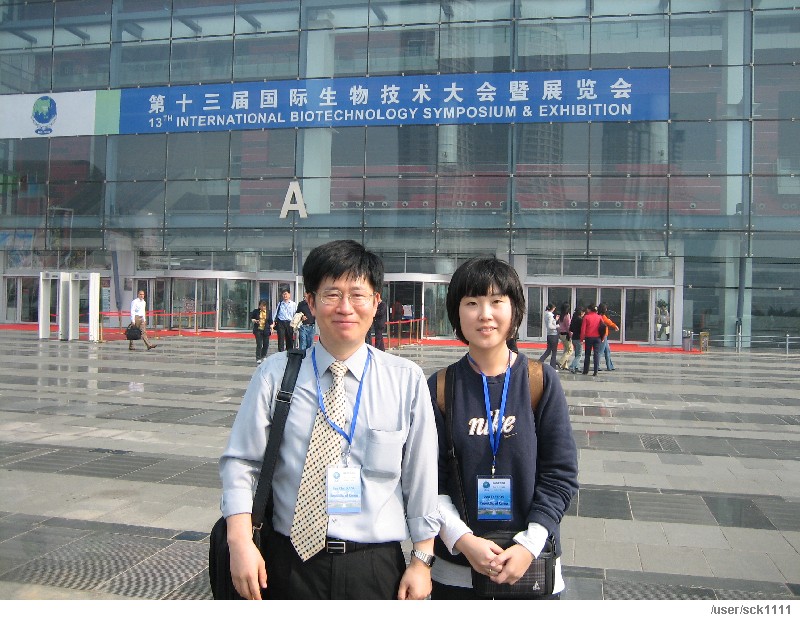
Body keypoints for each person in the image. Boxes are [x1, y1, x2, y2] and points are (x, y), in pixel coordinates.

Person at [219, 239, 439, 600]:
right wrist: (240, 541)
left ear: (376, 303)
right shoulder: (275, 375)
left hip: (375, 567)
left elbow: (421, 477)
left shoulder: (406, 381)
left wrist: (422, 560)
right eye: (332, 294)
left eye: (358, 295)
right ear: (311, 302)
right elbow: (242, 463)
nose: (345, 307)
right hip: (287, 563)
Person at [427, 257, 578, 600]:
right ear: (456, 313)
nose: (485, 314)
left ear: (514, 311)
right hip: (457, 574)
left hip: (531, 569)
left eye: (497, 301)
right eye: (472, 303)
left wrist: (528, 545)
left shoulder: (540, 381)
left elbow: (560, 474)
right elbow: (429, 479)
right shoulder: (440, 387)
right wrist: (464, 540)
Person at [580, 304, 603, 376]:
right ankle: (595, 371)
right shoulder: (599, 317)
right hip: (597, 338)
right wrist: (602, 338)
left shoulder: (586, 317)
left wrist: (582, 339)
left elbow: (583, 329)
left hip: (589, 337)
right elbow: (603, 327)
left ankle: (586, 370)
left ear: (589, 309)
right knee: (596, 354)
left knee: (587, 354)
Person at [597, 303, 619, 371]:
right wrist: (615, 326)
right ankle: (597, 366)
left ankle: (610, 366)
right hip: (603, 335)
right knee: (600, 351)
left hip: (603, 335)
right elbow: (608, 322)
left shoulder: (599, 315)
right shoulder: (602, 316)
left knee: (607, 351)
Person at [249, 300, 272, 365]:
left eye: (264, 306)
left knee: (266, 344)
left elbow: (270, 321)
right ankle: (258, 358)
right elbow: (252, 318)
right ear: (259, 306)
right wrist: (255, 320)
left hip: (266, 330)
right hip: (258, 330)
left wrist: (272, 327)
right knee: (259, 344)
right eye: (261, 306)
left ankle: (263, 355)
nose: (263, 307)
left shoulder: (269, 312)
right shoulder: (255, 311)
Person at [538, 303, 559, 369]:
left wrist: (555, 320)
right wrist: (557, 326)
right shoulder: (550, 315)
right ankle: (553, 366)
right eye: (554, 308)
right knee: (554, 352)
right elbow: (550, 326)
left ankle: (540, 361)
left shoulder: (547, 314)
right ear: (552, 308)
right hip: (553, 335)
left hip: (549, 335)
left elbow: (550, 323)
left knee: (548, 350)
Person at [567, 306, 585, 374]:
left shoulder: (573, 319)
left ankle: (577, 367)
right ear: (581, 312)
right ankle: (572, 366)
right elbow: (583, 330)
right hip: (579, 338)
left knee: (576, 354)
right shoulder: (581, 320)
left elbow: (571, 329)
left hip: (574, 337)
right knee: (579, 354)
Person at [556, 302, 572, 370]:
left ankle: (564, 365)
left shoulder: (561, 315)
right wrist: (570, 334)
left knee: (566, 349)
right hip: (566, 334)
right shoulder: (567, 316)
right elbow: (568, 326)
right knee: (570, 350)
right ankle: (560, 362)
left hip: (561, 334)